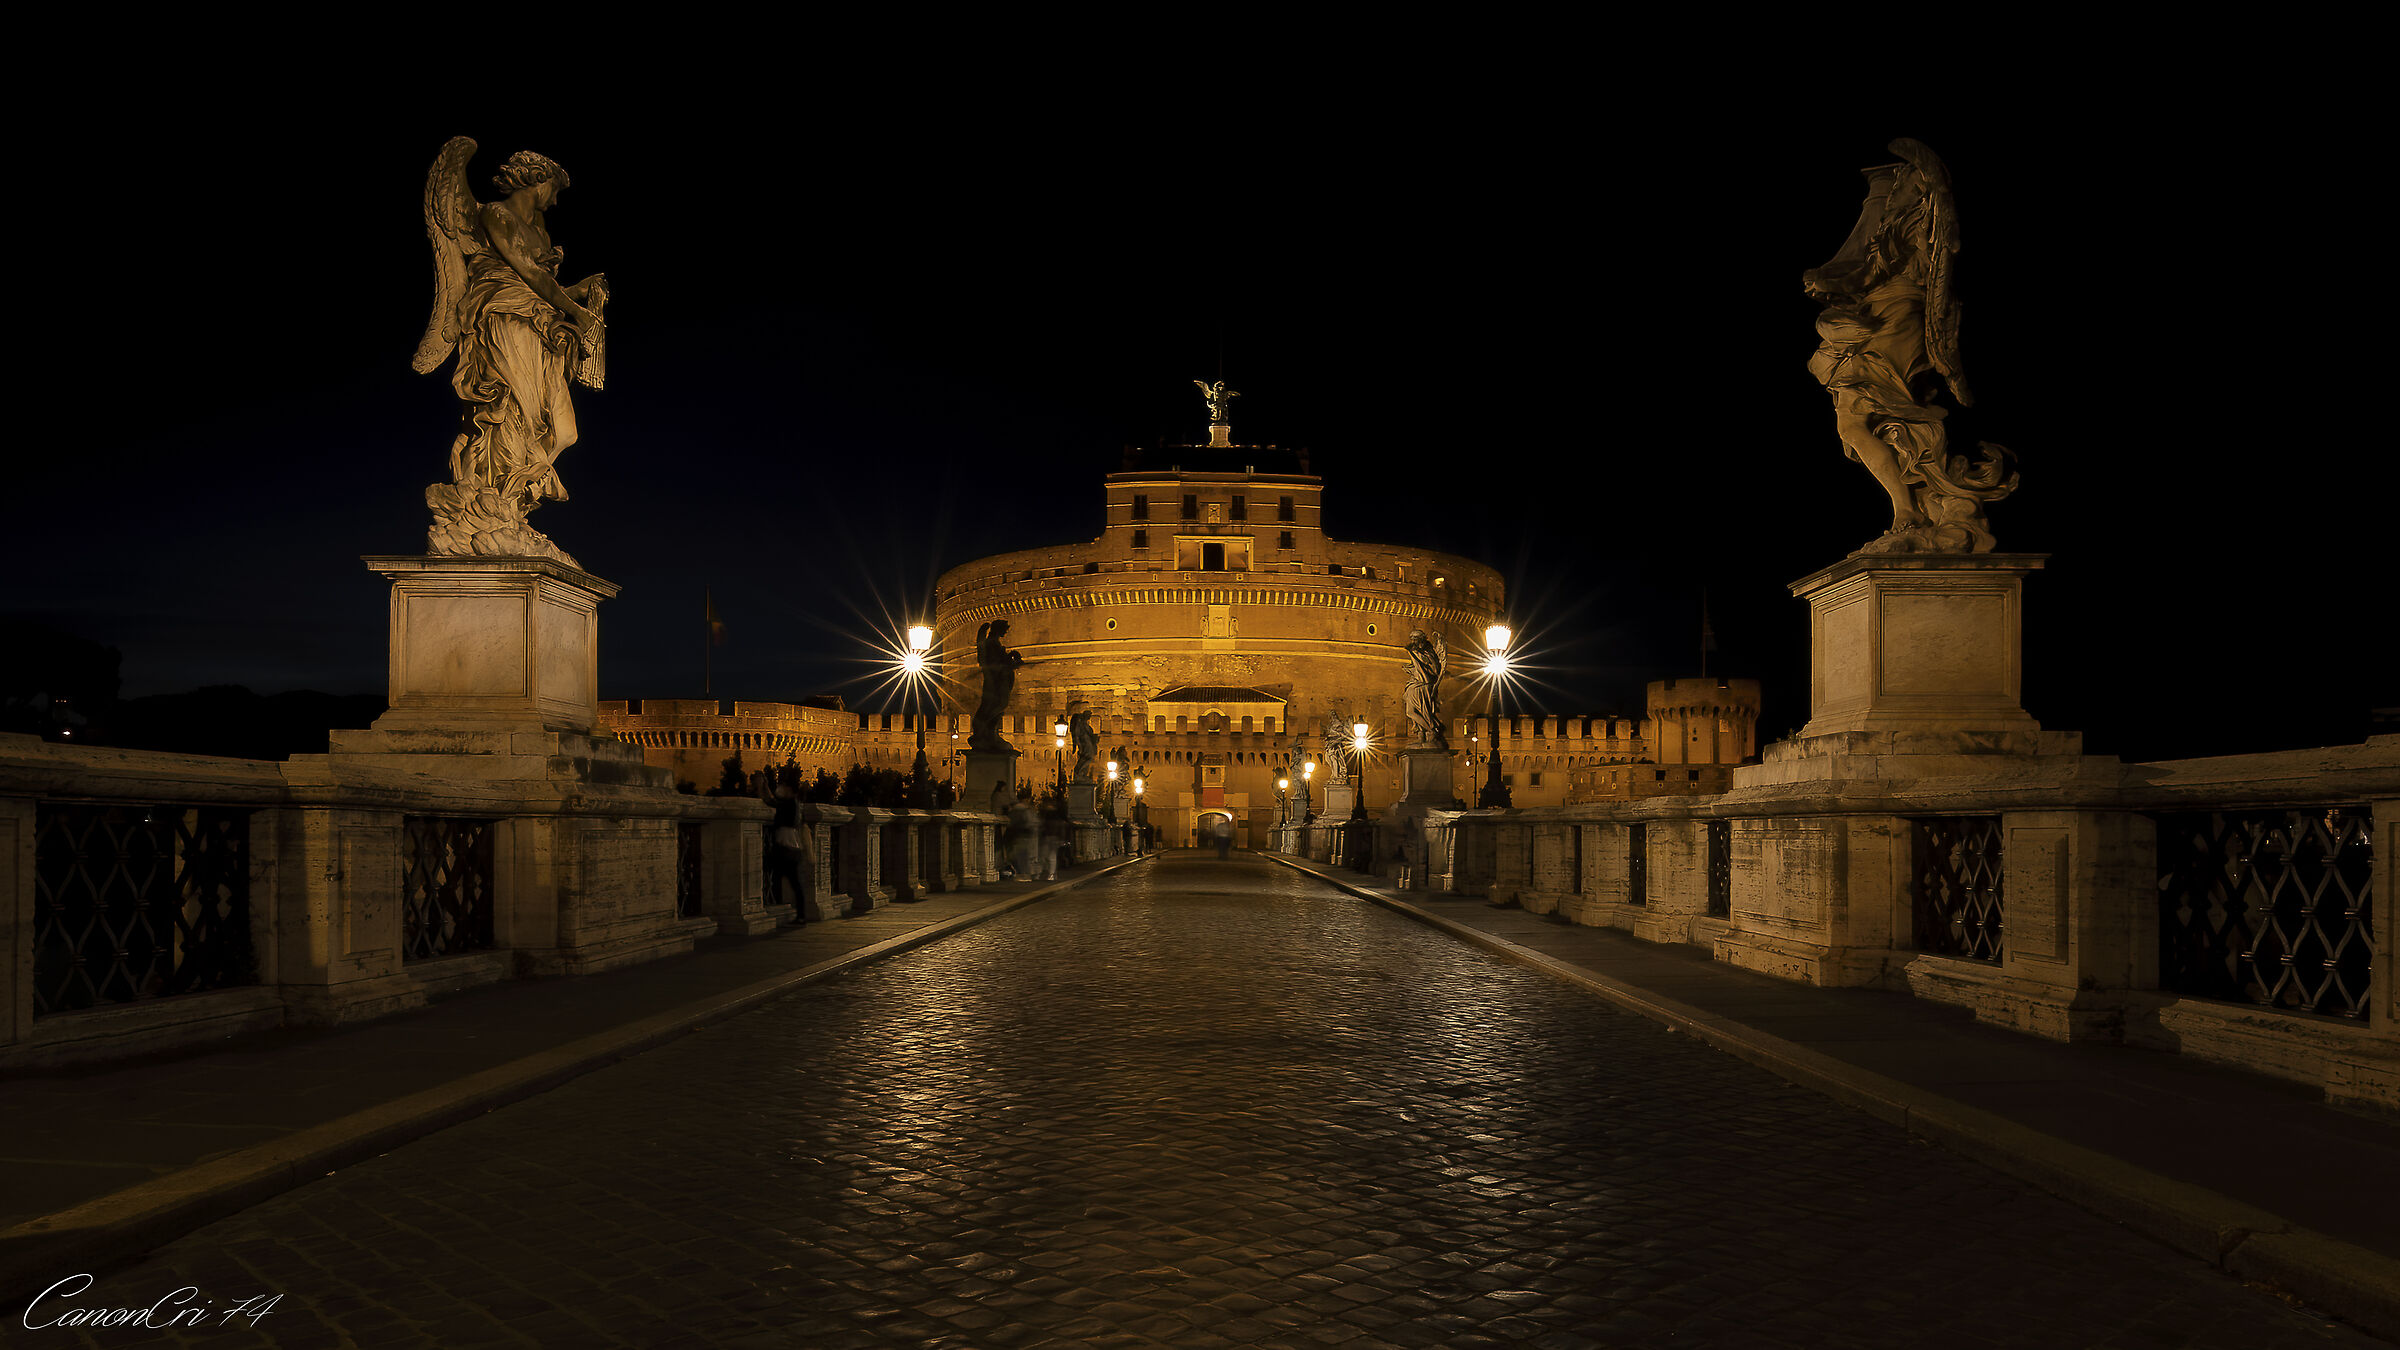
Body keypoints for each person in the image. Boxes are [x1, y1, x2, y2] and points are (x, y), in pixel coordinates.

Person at [761, 773, 810, 923]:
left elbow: (771, 801)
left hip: (787, 848)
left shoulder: (790, 804)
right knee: (793, 882)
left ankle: (799, 914)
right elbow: (774, 801)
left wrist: (763, 785)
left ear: (789, 789)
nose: (781, 789)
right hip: (791, 848)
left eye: (783, 787)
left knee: (767, 871)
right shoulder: (794, 803)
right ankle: (800, 915)